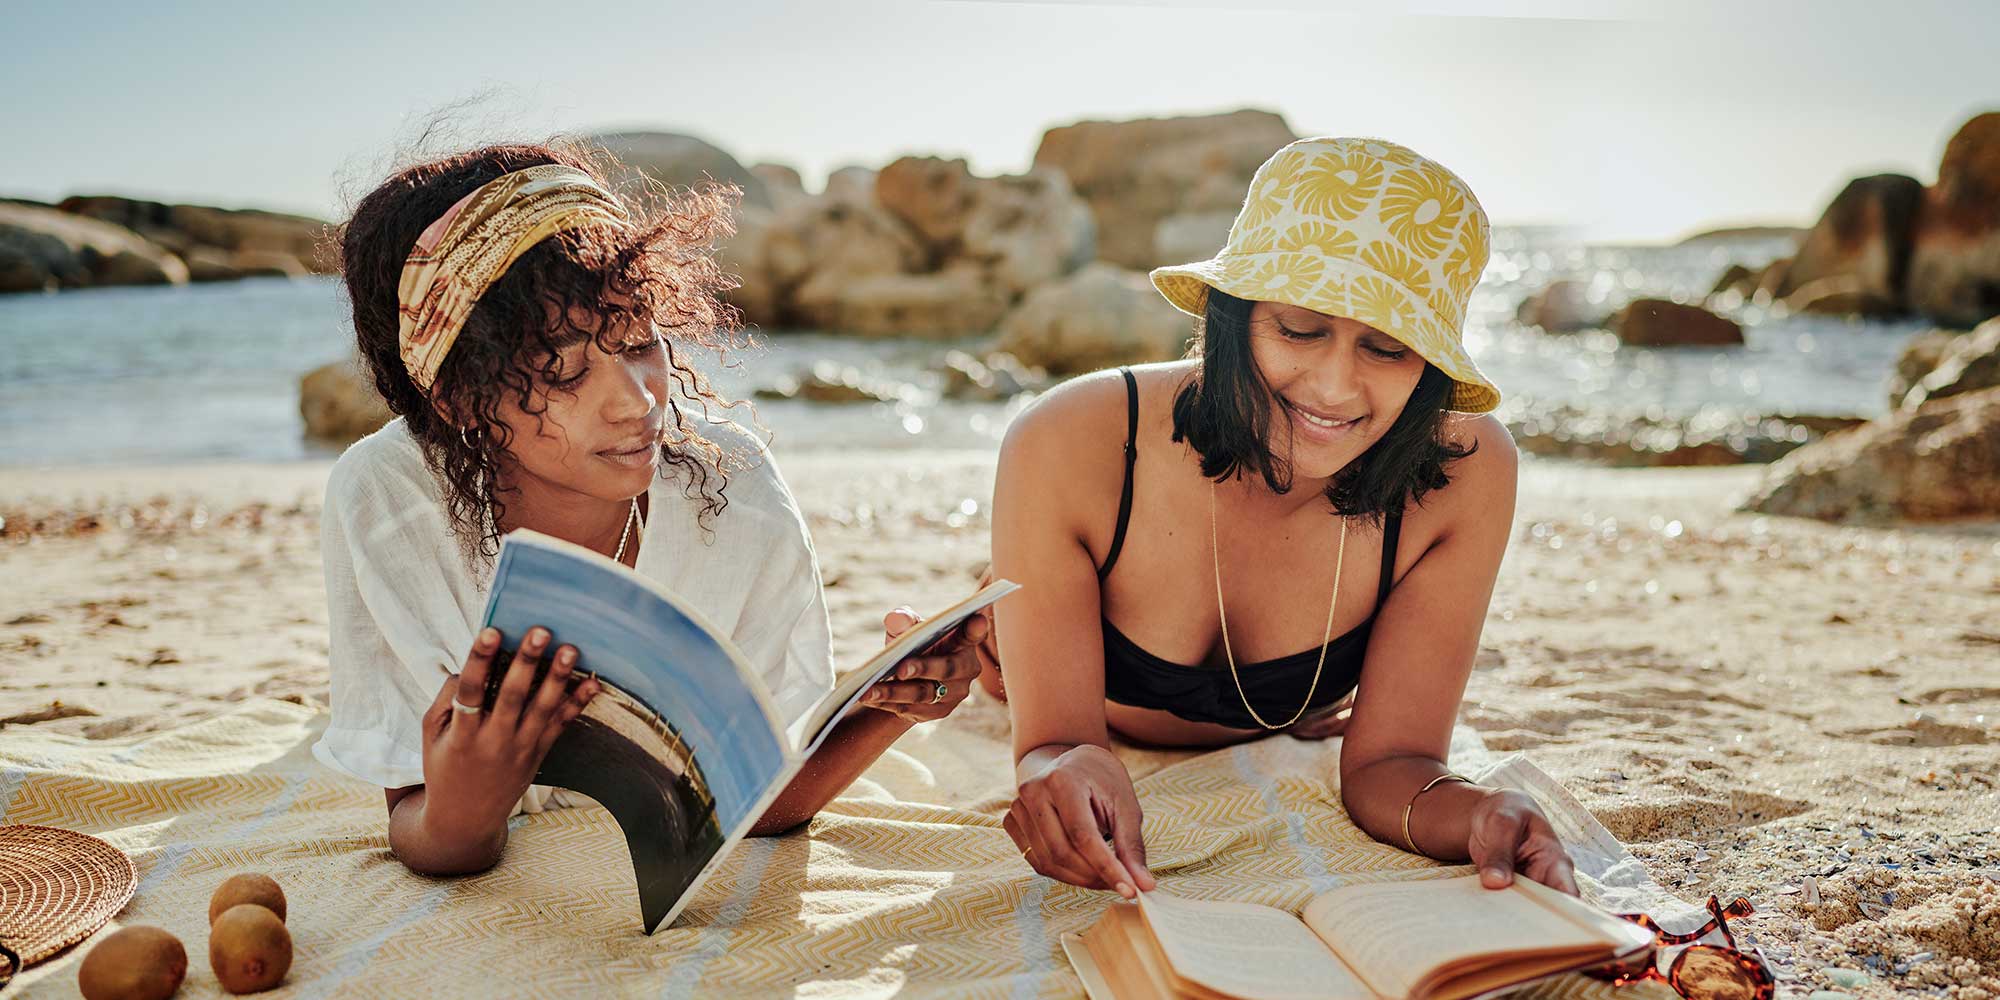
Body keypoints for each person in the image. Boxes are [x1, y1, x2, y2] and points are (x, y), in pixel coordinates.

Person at [311, 142, 987, 875]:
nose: (636, 403)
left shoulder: (729, 486)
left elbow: (755, 805)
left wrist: (886, 709)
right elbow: (420, 825)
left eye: (639, 341)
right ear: (459, 398)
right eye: (563, 370)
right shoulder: (389, 502)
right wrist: (462, 810)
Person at [985, 137, 1577, 900]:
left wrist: (1476, 811)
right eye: (1300, 330)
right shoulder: (1076, 439)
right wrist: (1059, 764)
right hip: (1016, 671)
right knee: (989, 640)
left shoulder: (1463, 473)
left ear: (1430, 367)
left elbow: (1390, 767)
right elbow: (1052, 745)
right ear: (1234, 317)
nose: (1334, 387)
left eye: (1389, 348)